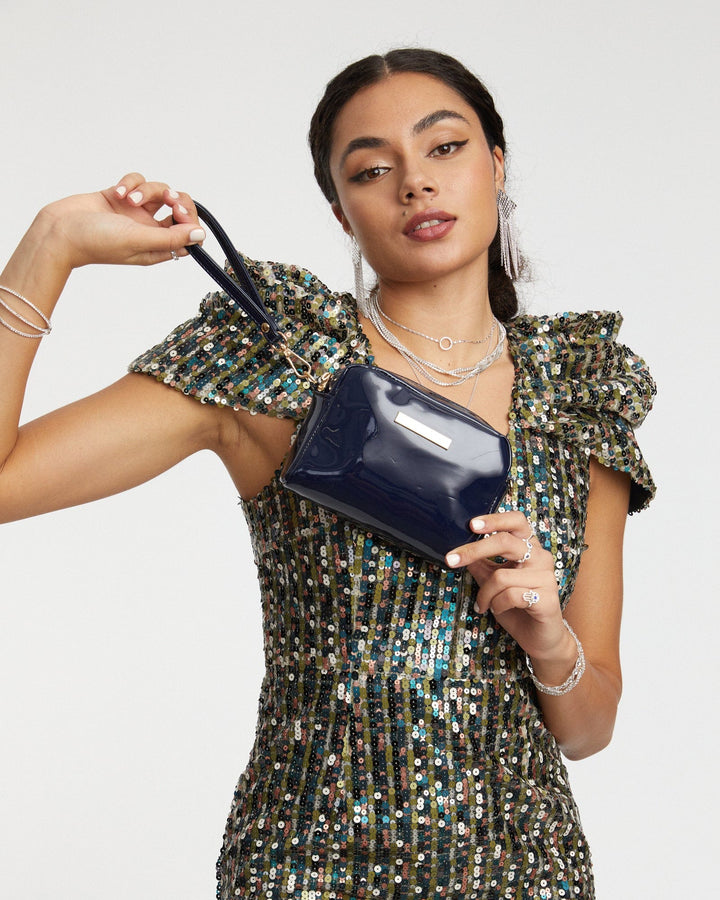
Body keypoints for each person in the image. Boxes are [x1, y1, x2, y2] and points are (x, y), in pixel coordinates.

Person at [0, 48, 655, 900]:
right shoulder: (279, 360)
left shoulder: (576, 395)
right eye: (373, 169)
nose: (416, 183)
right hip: (306, 864)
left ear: (497, 165)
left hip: (525, 870)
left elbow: (589, 728)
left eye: (445, 147)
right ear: (341, 211)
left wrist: (550, 639)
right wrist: (50, 246)